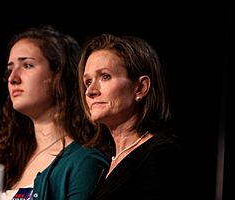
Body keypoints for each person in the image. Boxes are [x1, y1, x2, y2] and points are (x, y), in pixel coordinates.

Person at [0, 25, 112, 200]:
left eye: (27, 65)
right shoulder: (8, 160)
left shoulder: (84, 162)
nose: (13, 78)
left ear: (58, 75)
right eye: (10, 69)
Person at [78, 34, 189, 200]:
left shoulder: (160, 155)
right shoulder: (108, 161)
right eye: (87, 82)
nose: (90, 91)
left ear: (140, 88)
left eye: (105, 76)